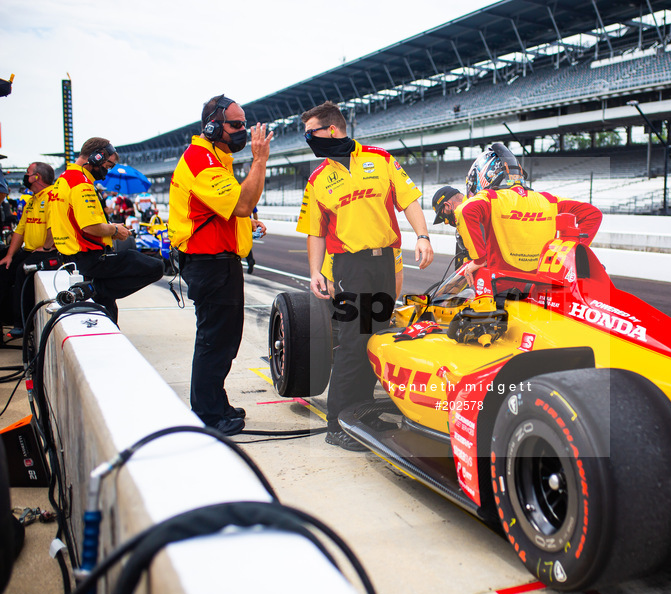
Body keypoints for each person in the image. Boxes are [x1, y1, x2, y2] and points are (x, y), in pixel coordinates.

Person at [298, 100, 433, 451]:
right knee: (354, 341)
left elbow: (410, 201)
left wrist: (422, 236)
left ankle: (361, 413)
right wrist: (315, 271)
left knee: (376, 336)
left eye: (311, 132)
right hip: (349, 266)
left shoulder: (381, 159)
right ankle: (336, 423)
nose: (308, 139)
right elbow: (315, 232)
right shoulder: (317, 179)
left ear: (331, 129)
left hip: (385, 262)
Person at [168, 94, 272, 436]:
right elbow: (241, 203)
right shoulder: (202, 160)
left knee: (224, 339)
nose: (243, 131)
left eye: (244, 124)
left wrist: (248, 225)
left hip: (218, 263)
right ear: (213, 126)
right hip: (209, 264)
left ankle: (215, 402)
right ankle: (208, 414)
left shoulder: (216, 158)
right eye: (236, 125)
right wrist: (259, 160)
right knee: (215, 340)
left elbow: (223, 212)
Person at [47, 137, 163, 323]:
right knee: (155, 267)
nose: (108, 171)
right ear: (96, 157)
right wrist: (116, 230)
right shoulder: (81, 183)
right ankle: (93, 288)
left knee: (105, 314)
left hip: (72, 259)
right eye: (108, 166)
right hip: (90, 258)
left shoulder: (62, 180)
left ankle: (93, 288)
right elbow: (90, 226)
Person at [455, 143, 603, 286]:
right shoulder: (548, 200)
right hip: (541, 291)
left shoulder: (491, 198)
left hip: (499, 289)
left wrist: (479, 259)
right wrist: (568, 256)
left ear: (486, 173)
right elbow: (593, 214)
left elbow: (464, 211)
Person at [0, 162, 60, 337]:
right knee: (4, 267)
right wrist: (9, 255)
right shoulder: (32, 200)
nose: (26, 176)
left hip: (49, 251)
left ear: (36, 177)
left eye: (27, 172)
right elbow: (20, 230)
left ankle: (22, 324)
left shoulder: (52, 197)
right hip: (30, 250)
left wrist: (47, 247)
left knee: (22, 271)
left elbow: (55, 226)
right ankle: (5, 317)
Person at [431, 185, 468, 269]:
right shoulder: (478, 205)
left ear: (447, 205)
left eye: (442, 216)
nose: (446, 222)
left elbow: (478, 260)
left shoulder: (468, 216)